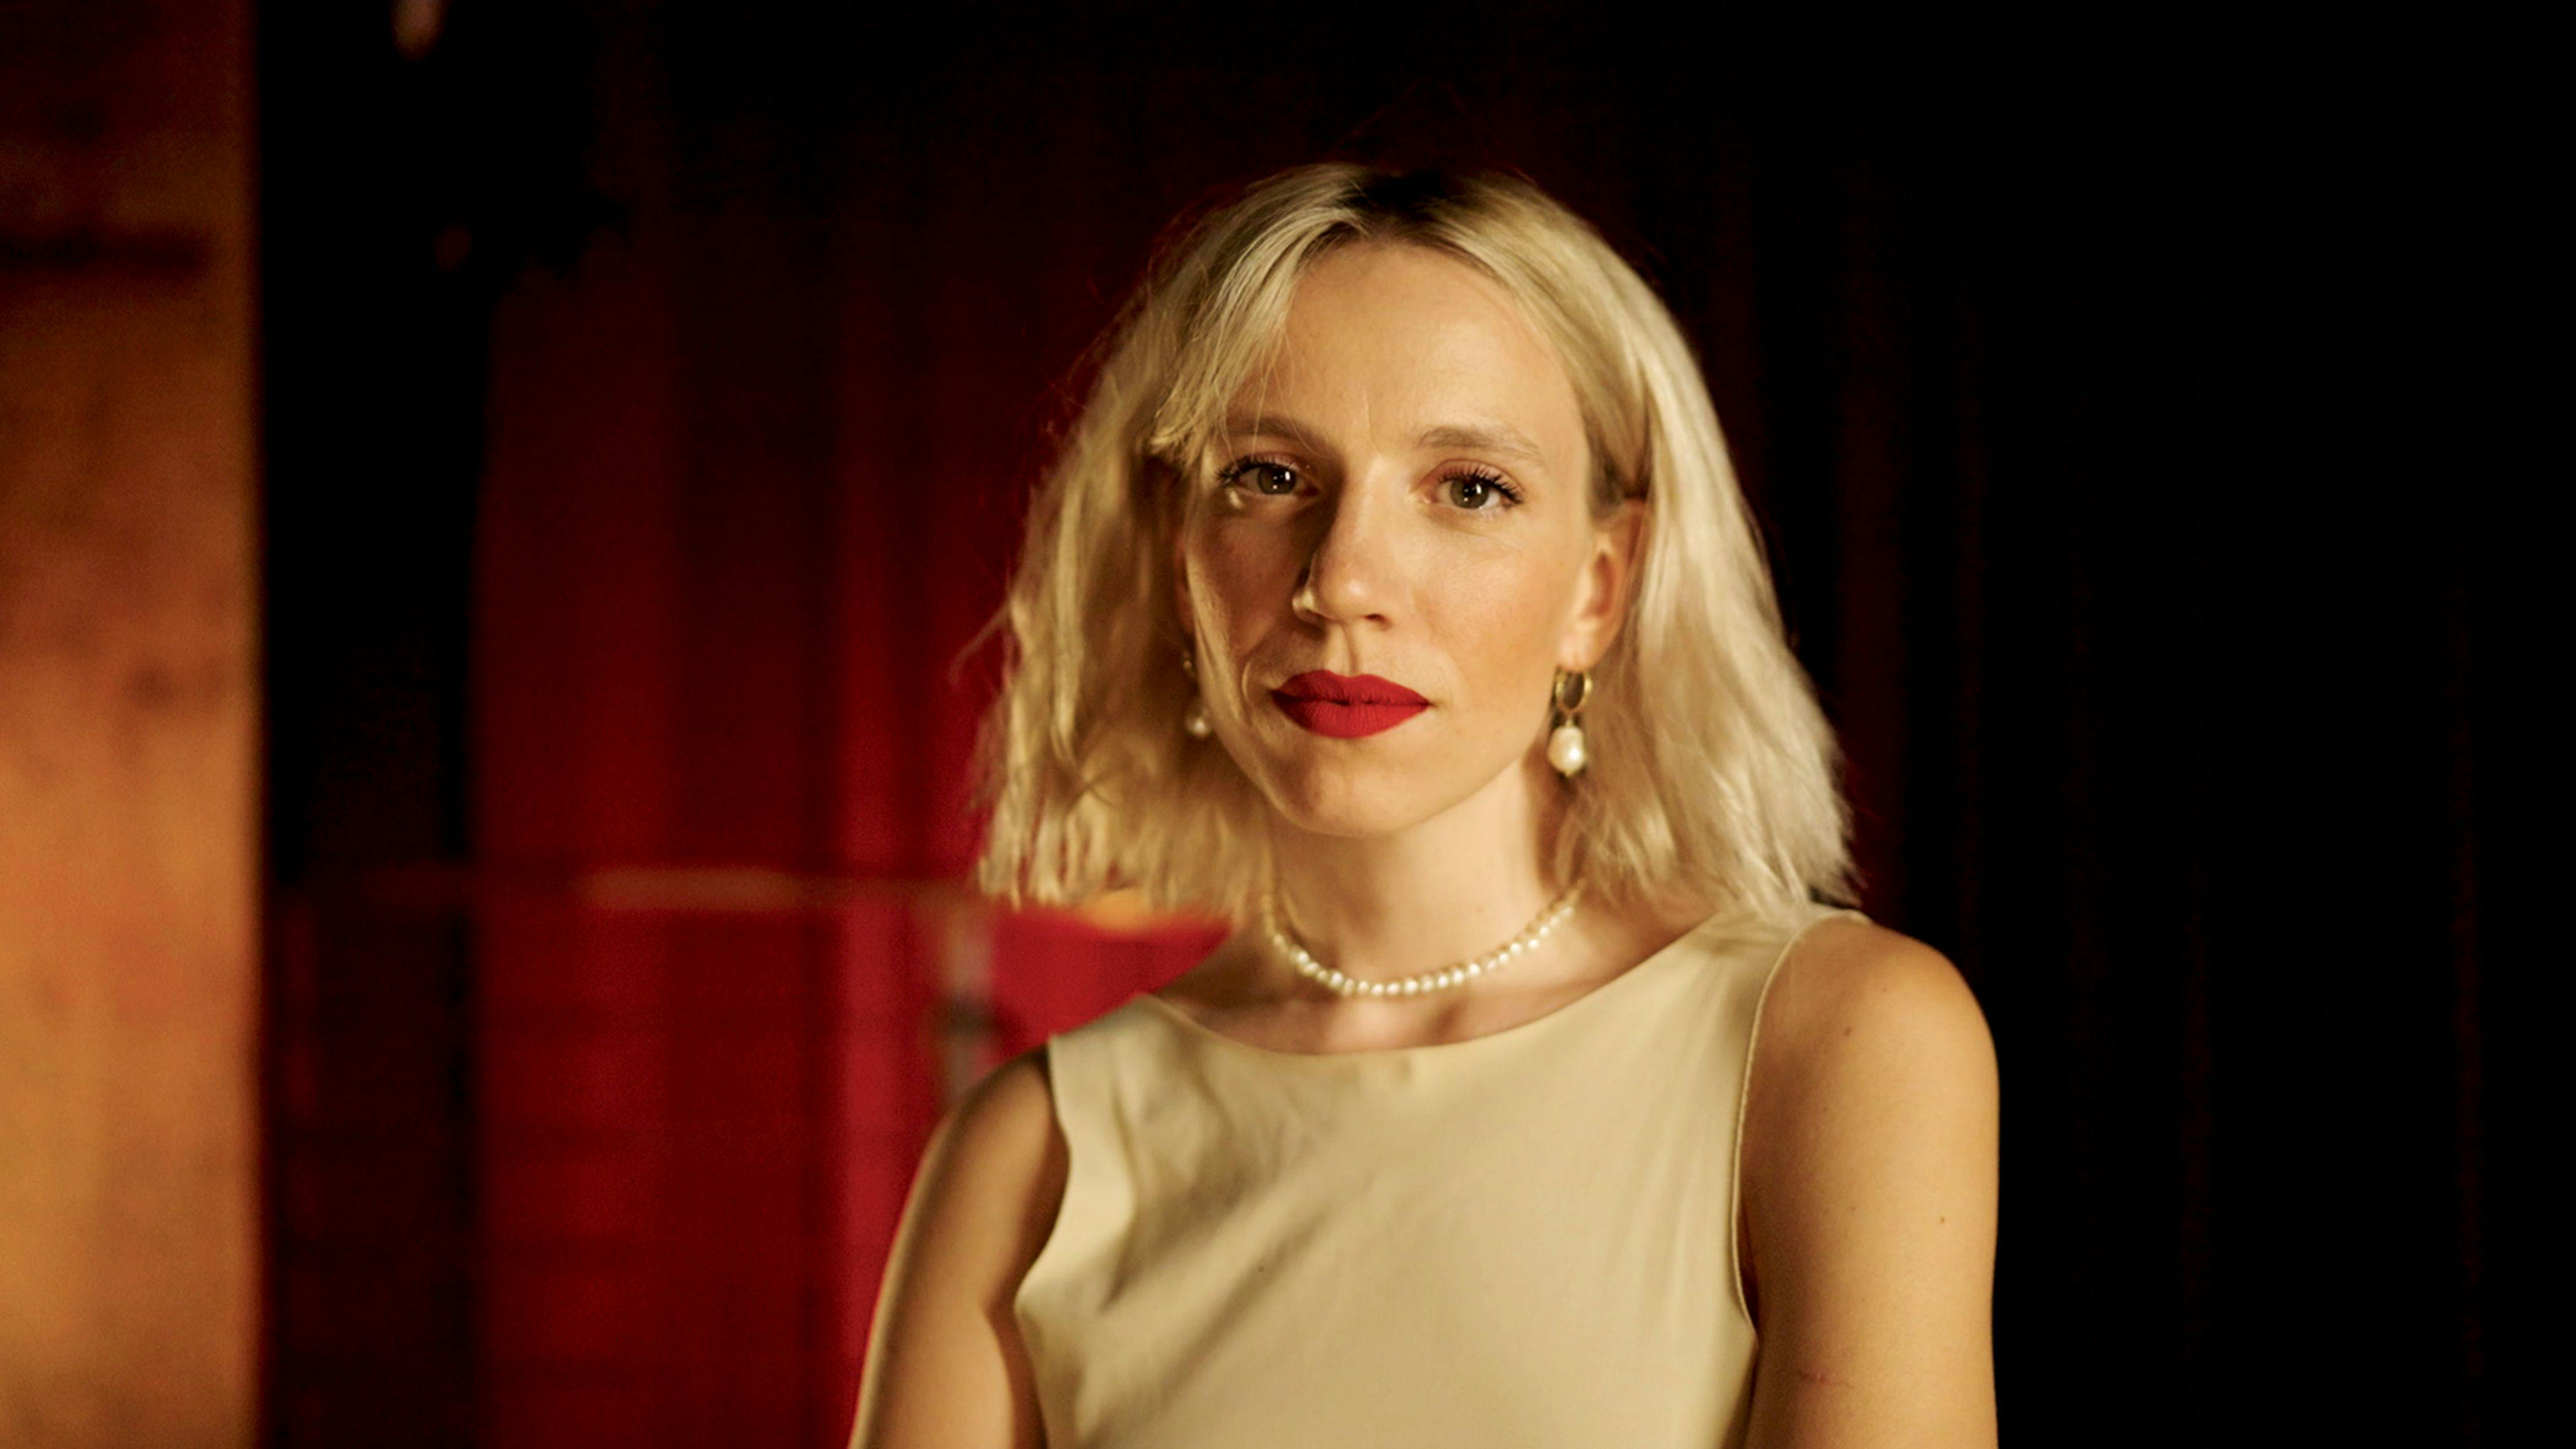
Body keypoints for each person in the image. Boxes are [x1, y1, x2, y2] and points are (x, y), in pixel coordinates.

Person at [849, 162, 1998, 1448]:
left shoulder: (1838, 1043)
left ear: (1600, 589)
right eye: (1269, 474)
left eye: (1469, 489)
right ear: (1179, 560)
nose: (1341, 580)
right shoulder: (1027, 1155)